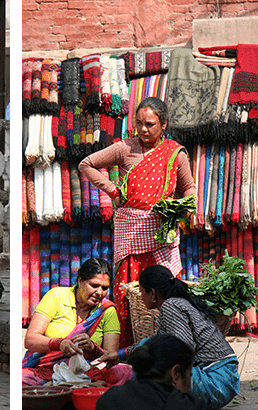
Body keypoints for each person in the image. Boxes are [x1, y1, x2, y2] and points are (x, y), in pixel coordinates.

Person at [79, 97, 196, 347]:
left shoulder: (175, 153)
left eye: (150, 124)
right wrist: (113, 191)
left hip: (161, 237)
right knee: (128, 296)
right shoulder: (124, 148)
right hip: (131, 235)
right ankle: (126, 356)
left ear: (163, 124)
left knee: (167, 293)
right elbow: (86, 164)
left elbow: (189, 191)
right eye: (139, 123)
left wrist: (179, 211)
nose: (144, 129)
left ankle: (169, 348)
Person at [97, 265, 238, 409]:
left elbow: (181, 348)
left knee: (154, 371)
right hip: (224, 378)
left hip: (216, 381)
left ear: (152, 293)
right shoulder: (178, 303)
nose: (141, 296)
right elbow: (155, 341)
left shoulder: (171, 305)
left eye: (141, 292)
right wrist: (120, 355)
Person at [22, 258, 130, 387]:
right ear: (80, 281)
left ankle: (64, 385)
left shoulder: (107, 310)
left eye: (105, 288)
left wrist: (94, 349)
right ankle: (75, 385)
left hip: (86, 370)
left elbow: (110, 356)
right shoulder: (56, 296)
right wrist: (59, 343)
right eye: (94, 285)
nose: (99, 292)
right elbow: (30, 340)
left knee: (124, 372)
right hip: (47, 369)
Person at [97, 333, 206, 410]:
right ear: (175, 373)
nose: (189, 386)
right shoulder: (190, 405)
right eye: (189, 375)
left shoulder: (109, 399)